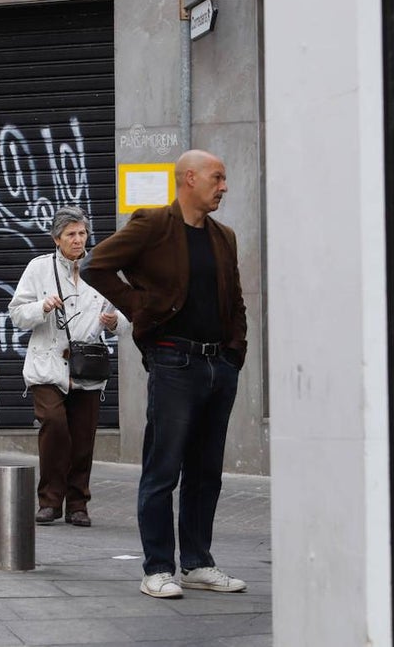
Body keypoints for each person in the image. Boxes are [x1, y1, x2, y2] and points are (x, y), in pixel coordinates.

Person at [83, 149, 248, 599]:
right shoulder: (153, 224)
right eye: (217, 177)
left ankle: (197, 563)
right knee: (163, 469)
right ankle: (157, 568)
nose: (224, 186)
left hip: (219, 365)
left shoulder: (224, 236)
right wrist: (139, 307)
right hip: (173, 361)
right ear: (189, 178)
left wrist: (235, 353)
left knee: (206, 472)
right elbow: (95, 265)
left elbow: (235, 299)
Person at [9, 206, 129, 527]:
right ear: (56, 238)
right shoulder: (38, 268)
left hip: (88, 366)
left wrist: (114, 321)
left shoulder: (101, 268)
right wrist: (42, 307)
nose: (78, 240)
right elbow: (17, 314)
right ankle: (49, 501)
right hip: (47, 364)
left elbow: (127, 316)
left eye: (82, 233)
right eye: (71, 234)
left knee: (83, 438)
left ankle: (78, 504)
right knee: (54, 425)